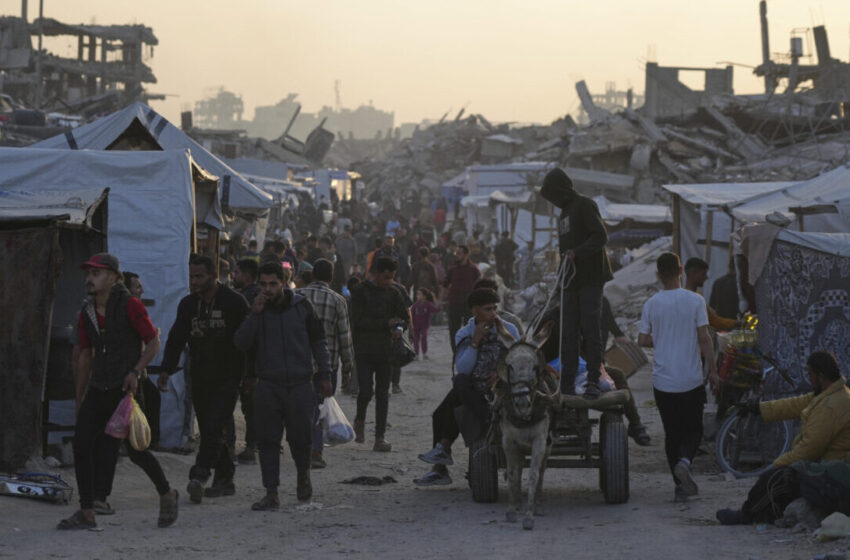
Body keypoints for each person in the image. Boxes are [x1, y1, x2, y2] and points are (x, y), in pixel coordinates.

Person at [58, 253, 178, 530]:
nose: (89, 279)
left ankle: (167, 493)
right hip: (100, 386)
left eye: (96, 273)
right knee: (83, 444)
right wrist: (79, 397)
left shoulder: (130, 305)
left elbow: (153, 342)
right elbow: (85, 355)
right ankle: (87, 512)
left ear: (112, 277)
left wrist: (136, 371)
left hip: (126, 389)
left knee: (137, 450)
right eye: (88, 274)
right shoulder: (87, 310)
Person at [234, 262, 333, 510]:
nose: (268, 289)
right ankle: (272, 492)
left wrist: (325, 374)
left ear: (284, 282)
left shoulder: (302, 307)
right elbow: (241, 343)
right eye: (263, 284)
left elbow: (319, 341)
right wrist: (254, 314)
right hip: (268, 385)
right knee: (268, 441)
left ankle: (303, 477)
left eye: (273, 284)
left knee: (301, 439)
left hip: (300, 384)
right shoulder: (257, 309)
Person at [717, 351, 850, 524]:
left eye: (810, 374)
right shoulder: (830, 395)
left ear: (821, 376)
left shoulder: (831, 406)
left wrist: (777, 464)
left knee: (776, 479)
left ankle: (746, 516)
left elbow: (808, 450)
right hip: (824, 466)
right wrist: (757, 408)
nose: (809, 379)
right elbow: (793, 405)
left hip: (831, 473)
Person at [160, 254, 248, 504]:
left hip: (229, 376)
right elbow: (177, 337)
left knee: (213, 425)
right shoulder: (188, 305)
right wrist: (167, 368)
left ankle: (199, 475)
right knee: (212, 427)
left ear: (213, 275)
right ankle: (225, 478)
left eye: (199, 276)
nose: (194, 282)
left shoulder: (234, 303)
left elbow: (249, 342)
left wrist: (250, 376)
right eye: (191, 277)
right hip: (199, 376)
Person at [415, 289, 520, 486]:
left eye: (495, 308)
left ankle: (441, 460)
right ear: (475, 311)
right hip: (474, 390)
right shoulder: (465, 333)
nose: (494, 313)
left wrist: (502, 371)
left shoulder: (509, 329)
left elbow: (519, 359)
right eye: (488, 309)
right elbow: (463, 368)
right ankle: (442, 462)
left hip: (503, 389)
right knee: (459, 383)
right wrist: (475, 341)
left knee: (444, 412)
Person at [638, 252, 717, 501]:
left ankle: (679, 486)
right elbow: (704, 338)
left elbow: (641, 340)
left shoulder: (651, 304)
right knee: (693, 430)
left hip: (663, 382)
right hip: (691, 379)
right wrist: (713, 371)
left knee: (672, 433)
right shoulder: (695, 301)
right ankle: (685, 461)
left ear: (659, 275)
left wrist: (660, 339)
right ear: (681, 271)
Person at [540, 167, 613, 400]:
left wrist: (577, 253)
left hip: (590, 278)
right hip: (570, 281)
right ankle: (568, 382)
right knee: (567, 332)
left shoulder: (584, 205)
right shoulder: (564, 215)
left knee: (591, 331)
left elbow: (600, 237)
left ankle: (593, 379)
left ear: (561, 190)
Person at [297, 258, 355, 469]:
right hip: (327, 365)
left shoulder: (298, 296)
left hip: (299, 363)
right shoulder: (338, 301)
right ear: (331, 278)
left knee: (302, 408)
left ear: (312, 275)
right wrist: (348, 368)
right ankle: (315, 451)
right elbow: (344, 338)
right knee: (320, 408)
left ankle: (304, 447)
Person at [349, 257, 410, 452]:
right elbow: (356, 322)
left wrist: (399, 328)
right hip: (364, 350)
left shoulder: (394, 293)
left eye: (391, 278)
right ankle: (360, 419)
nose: (388, 282)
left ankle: (380, 437)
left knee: (383, 394)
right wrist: (386, 324)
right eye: (385, 277)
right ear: (375, 273)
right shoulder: (359, 291)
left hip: (386, 351)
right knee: (366, 391)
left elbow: (404, 317)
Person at [231, 258, 260, 464]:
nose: (234, 276)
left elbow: (251, 337)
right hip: (247, 362)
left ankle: (251, 447)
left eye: (237, 272)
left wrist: (250, 372)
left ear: (247, 276)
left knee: (251, 407)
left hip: (248, 362)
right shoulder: (247, 296)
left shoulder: (249, 298)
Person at [442, 245, 481, 353]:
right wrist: (440, 301)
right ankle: (456, 352)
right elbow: (445, 285)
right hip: (454, 303)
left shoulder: (473, 269)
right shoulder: (452, 269)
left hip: (469, 305)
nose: (457, 255)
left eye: (459, 253)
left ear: (466, 254)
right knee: (453, 330)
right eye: (456, 253)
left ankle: (467, 351)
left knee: (469, 329)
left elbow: (479, 286)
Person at [684, 257, 737, 331]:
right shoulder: (693, 298)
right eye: (703, 274)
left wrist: (734, 323)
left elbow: (712, 319)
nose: (706, 277)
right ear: (693, 273)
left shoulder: (697, 296)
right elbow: (713, 321)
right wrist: (735, 323)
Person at [410, 288, 439, 360]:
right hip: (416, 325)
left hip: (424, 325)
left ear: (424, 296)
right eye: (417, 294)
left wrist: (438, 304)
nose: (417, 296)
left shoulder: (428, 304)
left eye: (419, 294)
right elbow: (411, 314)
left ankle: (424, 353)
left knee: (424, 338)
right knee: (416, 340)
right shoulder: (415, 305)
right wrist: (411, 324)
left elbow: (435, 310)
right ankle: (416, 354)